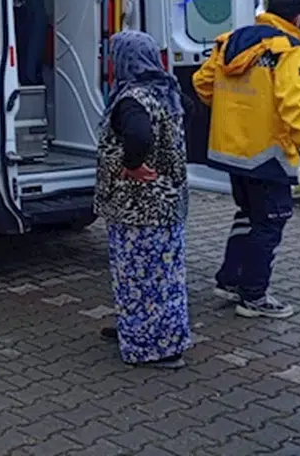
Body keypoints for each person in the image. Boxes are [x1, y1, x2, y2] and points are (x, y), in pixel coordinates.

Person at [192, 0, 300, 319]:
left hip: (230, 150)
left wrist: (232, 112)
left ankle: (230, 279)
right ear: (298, 18)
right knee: (271, 221)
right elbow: (294, 103)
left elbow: (202, 83)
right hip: (268, 154)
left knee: (247, 214)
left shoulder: (231, 41)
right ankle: (254, 296)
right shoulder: (291, 49)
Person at [94, 31, 192, 369]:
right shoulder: (166, 89)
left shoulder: (132, 99)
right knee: (165, 277)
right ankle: (138, 329)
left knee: (139, 278)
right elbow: (188, 114)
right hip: (169, 202)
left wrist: (131, 165)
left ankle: (154, 348)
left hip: (139, 208)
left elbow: (138, 135)